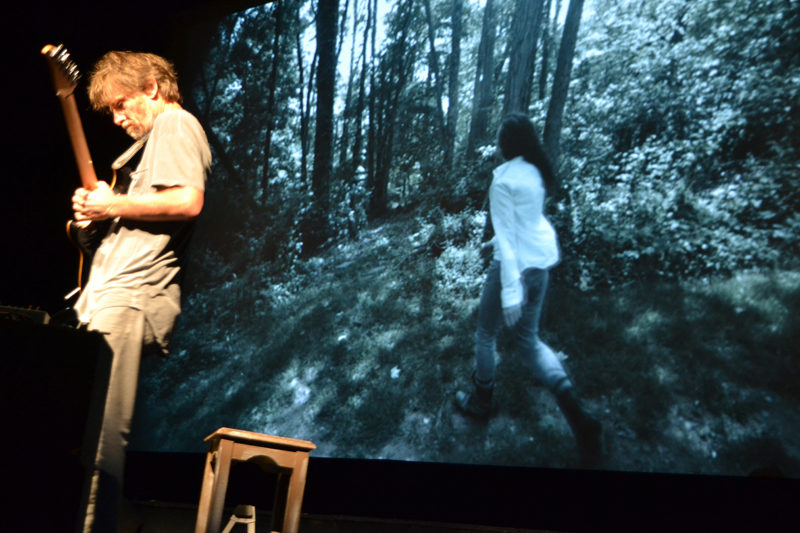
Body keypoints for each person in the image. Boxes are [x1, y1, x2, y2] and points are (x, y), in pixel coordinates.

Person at [71, 50, 212, 532]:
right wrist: (90, 218)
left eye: (121, 103)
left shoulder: (175, 124)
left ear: (152, 88)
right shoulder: (147, 149)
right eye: (111, 110)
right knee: (83, 442)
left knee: (100, 446)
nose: (117, 118)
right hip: (110, 295)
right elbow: (123, 225)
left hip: (131, 296)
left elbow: (188, 200)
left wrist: (115, 204)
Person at [455, 113, 602, 468]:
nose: (496, 145)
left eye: (499, 139)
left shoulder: (503, 179)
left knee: (486, 333)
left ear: (507, 144)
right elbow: (523, 222)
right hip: (541, 268)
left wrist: (509, 292)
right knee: (530, 342)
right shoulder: (536, 171)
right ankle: (580, 419)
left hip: (515, 270)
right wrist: (494, 241)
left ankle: (481, 403)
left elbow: (509, 240)